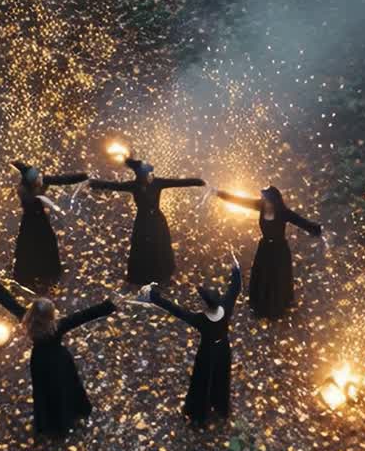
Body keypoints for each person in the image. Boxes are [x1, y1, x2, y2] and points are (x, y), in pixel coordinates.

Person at [0, 271, 116, 436]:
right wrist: (109, 306)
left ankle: (49, 422)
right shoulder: (57, 326)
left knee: (45, 392)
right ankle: (70, 414)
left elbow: (8, 301)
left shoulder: (27, 319)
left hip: (40, 362)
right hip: (60, 361)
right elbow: (83, 316)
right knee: (65, 387)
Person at [143, 256, 242, 426]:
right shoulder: (225, 307)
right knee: (220, 375)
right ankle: (220, 404)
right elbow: (235, 289)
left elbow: (176, 310)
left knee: (202, 380)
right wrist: (236, 269)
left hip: (207, 352)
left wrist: (154, 296)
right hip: (223, 348)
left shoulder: (201, 320)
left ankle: (200, 412)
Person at [89, 155, 205, 286]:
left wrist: (197, 181)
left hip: (156, 220)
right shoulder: (134, 185)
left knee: (160, 247)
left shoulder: (157, 182)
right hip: (144, 222)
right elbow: (114, 186)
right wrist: (95, 183)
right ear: (140, 174)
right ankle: (144, 277)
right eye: (146, 173)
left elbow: (177, 182)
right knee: (144, 248)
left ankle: (162, 276)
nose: (148, 175)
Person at [214, 186, 323, 319]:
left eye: (266, 199)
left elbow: (301, 222)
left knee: (277, 277)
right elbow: (240, 201)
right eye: (263, 198)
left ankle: (278, 309)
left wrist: (317, 230)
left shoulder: (283, 212)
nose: (264, 201)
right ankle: (260, 307)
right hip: (265, 248)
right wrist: (220, 194)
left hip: (280, 250)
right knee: (262, 275)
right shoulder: (260, 206)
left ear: (274, 201)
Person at [10, 162, 87, 289]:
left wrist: (82, 176)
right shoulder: (27, 191)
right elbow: (59, 181)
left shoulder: (28, 188)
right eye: (37, 177)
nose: (39, 177)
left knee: (32, 246)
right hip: (36, 222)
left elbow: (62, 180)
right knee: (39, 245)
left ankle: (33, 273)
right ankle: (41, 273)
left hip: (33, 221)